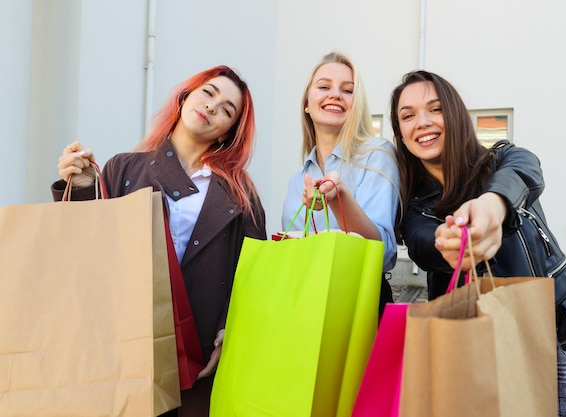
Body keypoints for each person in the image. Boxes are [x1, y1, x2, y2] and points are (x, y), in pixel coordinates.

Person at [390, 69, 566, 416]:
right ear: (401, 135)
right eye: (408, 115)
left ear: (456, 114)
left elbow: (526, 171)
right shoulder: (414, 209)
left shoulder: (503, 160)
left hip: (560, 334)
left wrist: (494, 204)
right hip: (475, 343)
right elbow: (421, 242)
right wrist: (447, 244)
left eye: (435, 109)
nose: (422, 122)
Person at [53, 65, 267, 417]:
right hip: (123, 347)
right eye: (208, 93)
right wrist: (78, 188)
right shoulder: (124, 168)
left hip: (197, 355)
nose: (213, 107)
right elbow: (88, 249)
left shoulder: (241, 196)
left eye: (228, 110)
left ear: (229, 132)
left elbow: (254, 277)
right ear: (186, 97)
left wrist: (231, 331)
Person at [281, 51, 400, 317]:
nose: (336, 94)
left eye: (348, 90)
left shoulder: (376, 155)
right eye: (324, 86)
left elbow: (380, 254)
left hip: (357, 305)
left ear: (356, 104)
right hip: (304, 304)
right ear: (307, 104)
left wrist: (338, 199)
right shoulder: (297, 179)